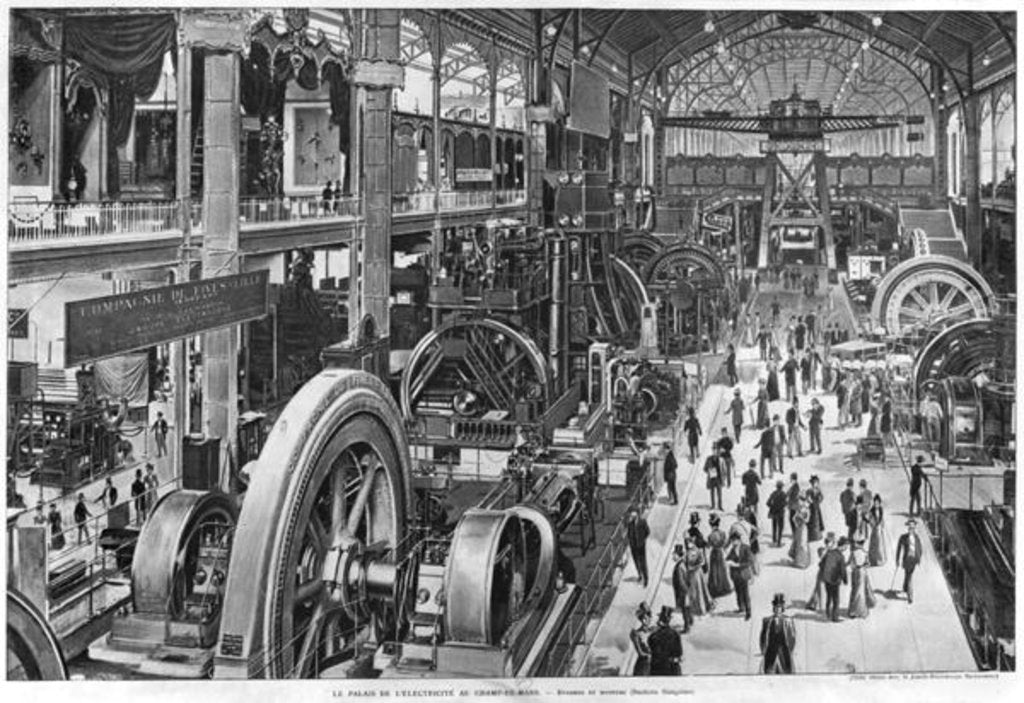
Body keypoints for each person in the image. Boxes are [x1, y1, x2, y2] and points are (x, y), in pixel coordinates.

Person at [760, 593, 796, 674]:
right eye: (776, 607)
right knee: (768, 671)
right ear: (773, 608)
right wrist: (763, 649)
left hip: (783, 650)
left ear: (782, 608)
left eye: (779, 608)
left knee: (786, 671)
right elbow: (763, 636)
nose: (777, 609)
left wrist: (790, 649)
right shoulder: (767, 620)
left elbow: (792, 637)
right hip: (770, 650)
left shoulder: (788, 621)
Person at [724, 531, 754, 620]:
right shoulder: (733, 549)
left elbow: (749, 561)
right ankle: (741, 608)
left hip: (743, 574)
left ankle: (748, 612)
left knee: (745, 593)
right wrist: (727, 561)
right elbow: (728, 558)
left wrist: (738, 565)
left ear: (739, 540)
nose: (733, 543)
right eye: (732, 541)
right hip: (735, 575)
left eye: (734, 541)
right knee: (738, 592)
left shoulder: (745, 548)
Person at [819, 536, 848, 622]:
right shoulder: (841, 556)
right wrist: (845, 580)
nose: (846, 548)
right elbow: (843, 570)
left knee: (828, 597)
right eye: (846, 546)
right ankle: (835, 617)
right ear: (842, 546)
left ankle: (827, 614)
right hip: (835, 581)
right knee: (836, 599)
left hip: (827, 580)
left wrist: (824, 574)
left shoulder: (829, 553)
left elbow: (821, 564)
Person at [648, 606, 683, 675]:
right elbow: (679, 653)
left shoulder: (653, 636)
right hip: (671, 669)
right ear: (669, 620)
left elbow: (651, 650)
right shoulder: (675, 634)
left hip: (656, 669)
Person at [895, 518, 924, 604]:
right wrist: (897, 560)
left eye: (913, 528)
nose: (911, 529)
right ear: (908, 528)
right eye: (910, 528)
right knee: (910, 576)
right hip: (907, 559)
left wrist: (918, 557)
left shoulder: (917, 537)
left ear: (915, 528)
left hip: (914, 559)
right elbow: (899, 549)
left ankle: (905, 588)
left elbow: (920, 548)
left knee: (908, 574)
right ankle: (910, 596)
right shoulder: (903, 537)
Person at [683, 537, 713, 616]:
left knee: (700, 590)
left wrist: (695, 566)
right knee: (693, 591)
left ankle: (702, 608)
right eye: (687, 543)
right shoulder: (687, 553)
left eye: (690, 542)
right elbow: (685, 563)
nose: (689, 544)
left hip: (697, 573)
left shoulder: (698, 551)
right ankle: (694, 608)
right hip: (691, 574)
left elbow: (702, 561)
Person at [847, 537, 876, 618]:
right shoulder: (865, 553)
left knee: (855, 590)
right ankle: (861, 610)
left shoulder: (853, 553)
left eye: (856, 543)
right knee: (860, 590)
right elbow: (868, 564)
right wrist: (863, 566)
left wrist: (854, 567)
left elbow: (849, 563)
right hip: (862, 572)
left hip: (856, 572)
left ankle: (854, 611)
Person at [706, 515, 733, 599]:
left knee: (714, 570)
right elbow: (725, 544)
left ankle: (715, 589)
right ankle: (723, 587)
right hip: (720, 552)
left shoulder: (710, 535)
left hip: (714, 553)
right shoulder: (723, 533)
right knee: (721, 569)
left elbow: (708, 545)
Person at [671, 545, 694, 633]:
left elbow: (681, 581)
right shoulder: (682, 563)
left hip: (682, 592)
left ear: (678, 555)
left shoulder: (679, 567)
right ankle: (690, 621)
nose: (673, 556)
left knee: (685, 609)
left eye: (674, 555)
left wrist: (685, 592)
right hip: (685, 590)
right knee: (687, 608)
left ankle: (687, 627)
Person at [626, 508, 651, 588]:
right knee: (636, 562)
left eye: (633, 513)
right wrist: (631, 542)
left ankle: (646, 579)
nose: (631, 515)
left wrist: (642, 540)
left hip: (641, 546)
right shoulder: (630, 523)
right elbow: (629, 534)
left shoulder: (642, 522)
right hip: (633, 546)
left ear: (637, 513)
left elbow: (647, 532)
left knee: (643, 563)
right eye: (631, 514)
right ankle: (640, 575)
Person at [630, 602, 653, 675]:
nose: (645, 621)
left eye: (647, 618)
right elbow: (640, 653)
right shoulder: (636, 634)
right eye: (642, 618)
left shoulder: (653, 632)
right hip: (643, 665)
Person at [788, 496, 811, 569]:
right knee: (797, 543)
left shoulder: (807, 510)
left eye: (801, 501)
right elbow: (793, 518)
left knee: (802, 543)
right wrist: (796, 522)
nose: (799, 502)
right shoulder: (799, 509)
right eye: (799, 501)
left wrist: (801, 519)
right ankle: (797, 561)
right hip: (798, 528)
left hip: (803, 528)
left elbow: (807, 520)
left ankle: (803, 562)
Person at [866, 494, 887, 566]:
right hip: (874, 529)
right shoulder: (871, 510)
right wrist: (874, 524)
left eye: (877, 503)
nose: (876, 504)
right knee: (875, 544)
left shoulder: (881, 509)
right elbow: (870, 519)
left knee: (880, 544)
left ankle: (880, 559)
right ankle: (873, 560)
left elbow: (881, 518)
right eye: (875, 503)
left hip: (879, 528)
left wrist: (882, 524)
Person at [766, 480, 787, 547]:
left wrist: (773, 506)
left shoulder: (773, 493)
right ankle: (779, 542)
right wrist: (781, 506)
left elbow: (768, 503)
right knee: (780, 527)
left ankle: (774, 540)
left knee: (774, 526)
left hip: (774, 513)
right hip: (780, 513)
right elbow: (785, 503)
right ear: (781, 487)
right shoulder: (783, 494)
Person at [805, 475, 825, 543]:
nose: (815, 484)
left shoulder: (818, 490)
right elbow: (807, 497)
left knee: (818, 520)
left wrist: (819, 500)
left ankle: (818, 536)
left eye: (816, 482)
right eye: (813, 483)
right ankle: (812, 536)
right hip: (812, 507)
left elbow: (822, 497)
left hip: (817, 506)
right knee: (812, 520)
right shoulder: (809, 490)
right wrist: (810, 501)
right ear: (811, 483)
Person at [840, 478, 858, 543]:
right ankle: (851, 539)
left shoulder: (843, 493)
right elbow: (856, 501)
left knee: (850, 526)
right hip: (852, 513)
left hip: (846, 513)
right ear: (852, 485)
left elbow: (841, 501)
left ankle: (850, 539)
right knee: (853, 526)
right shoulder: (852, 493)